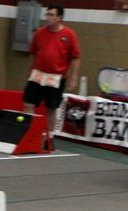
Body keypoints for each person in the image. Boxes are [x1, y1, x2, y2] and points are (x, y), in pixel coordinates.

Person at [22, 4, 81, 150]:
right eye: (47, 14)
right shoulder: (39, 33)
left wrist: (73, 78)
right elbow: (33, 53)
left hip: (56, 77)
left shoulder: (69, 35)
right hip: (37, 75)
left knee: (51, 108)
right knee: (28, 103)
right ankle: (28, 133)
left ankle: (50, 137)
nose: (47, 17)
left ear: (59, 18)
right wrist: (29, 72)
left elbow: (76, 57)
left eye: (51, 15)